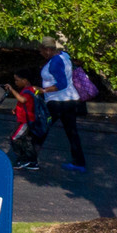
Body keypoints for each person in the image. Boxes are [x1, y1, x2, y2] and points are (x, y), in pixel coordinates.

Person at [39, 36, 88, 173]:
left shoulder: (54, 63)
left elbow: (61, 84)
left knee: (41, 127)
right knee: (72, 133)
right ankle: (79, 163)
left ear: (48, 50)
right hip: (71, 100)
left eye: (42, 51)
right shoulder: (64, 55)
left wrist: (43, 90)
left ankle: (30, 158)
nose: (41, 53)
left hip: (57, 102)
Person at [5, 73, 42, 171]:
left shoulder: (28, 90)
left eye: (17, 80)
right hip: (25, 119)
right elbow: (26, 103)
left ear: (25, 80)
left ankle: (23, 159)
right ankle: (32, 161)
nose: (15, 82)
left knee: (14, 137)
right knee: (25, 140)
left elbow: (23, 99)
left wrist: (12, 89)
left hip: (25, 121)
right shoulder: (28, 89)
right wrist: (16, 109)